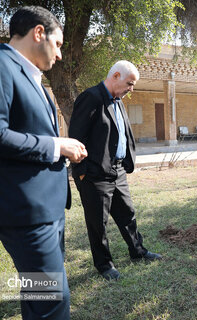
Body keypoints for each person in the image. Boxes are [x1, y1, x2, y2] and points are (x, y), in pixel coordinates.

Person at [0, 6, 87, 319]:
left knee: (37, 293)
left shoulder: (33, 77)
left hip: (48, 209)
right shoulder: (3, 66)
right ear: (39, 33)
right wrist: (56, 146)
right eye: (59, 44)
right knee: (53, 301)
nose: (60, 55)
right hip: (27, 213)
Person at [69, 60, 161, 281]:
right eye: (130, 83)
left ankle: (138, 251)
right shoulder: (91, 98)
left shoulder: (118, 100)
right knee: (98, 223)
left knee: (127, 214)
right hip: (94, 175)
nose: (132, 89)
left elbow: (122, 133)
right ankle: (104, 265)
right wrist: (82, 172)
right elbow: (75, 137)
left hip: (117, 170)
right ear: (116, 75)